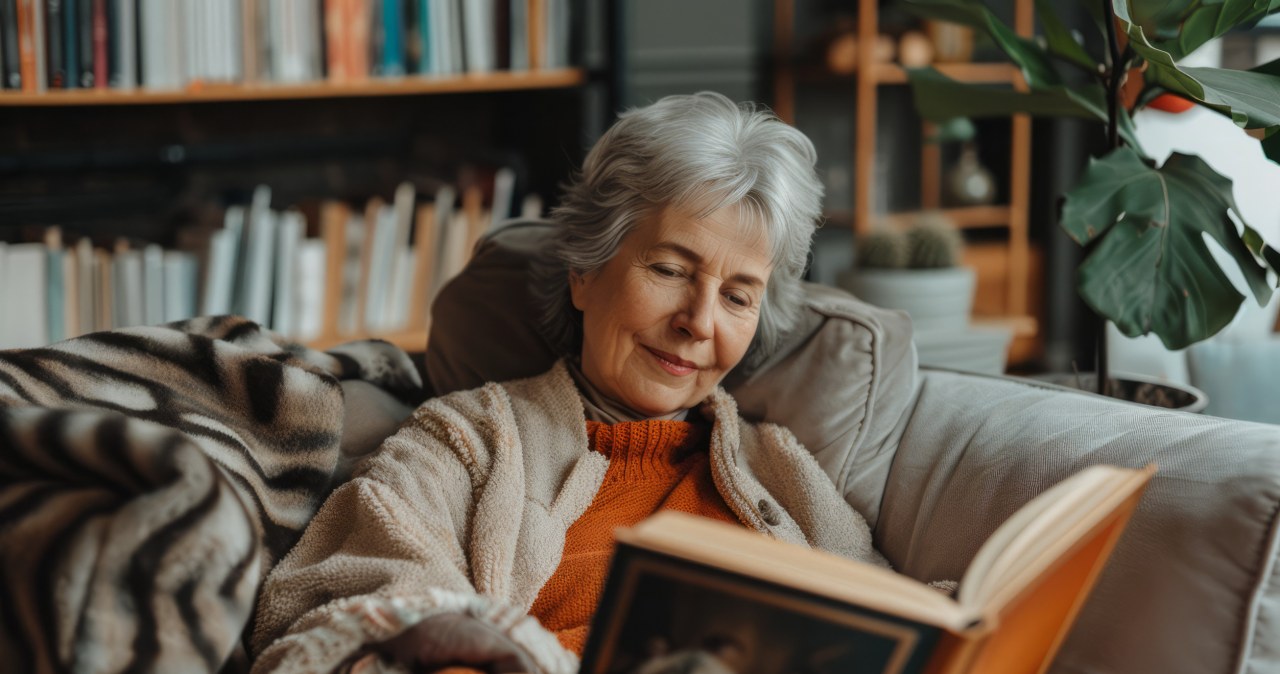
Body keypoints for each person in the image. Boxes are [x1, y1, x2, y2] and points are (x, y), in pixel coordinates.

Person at [250, 92, 889, 674]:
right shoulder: (468, 440)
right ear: (584, 272)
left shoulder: (778, 470)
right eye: (669, 269)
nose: (699, 322)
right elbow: (341, 599)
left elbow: (903, 623)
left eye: (738, 297)